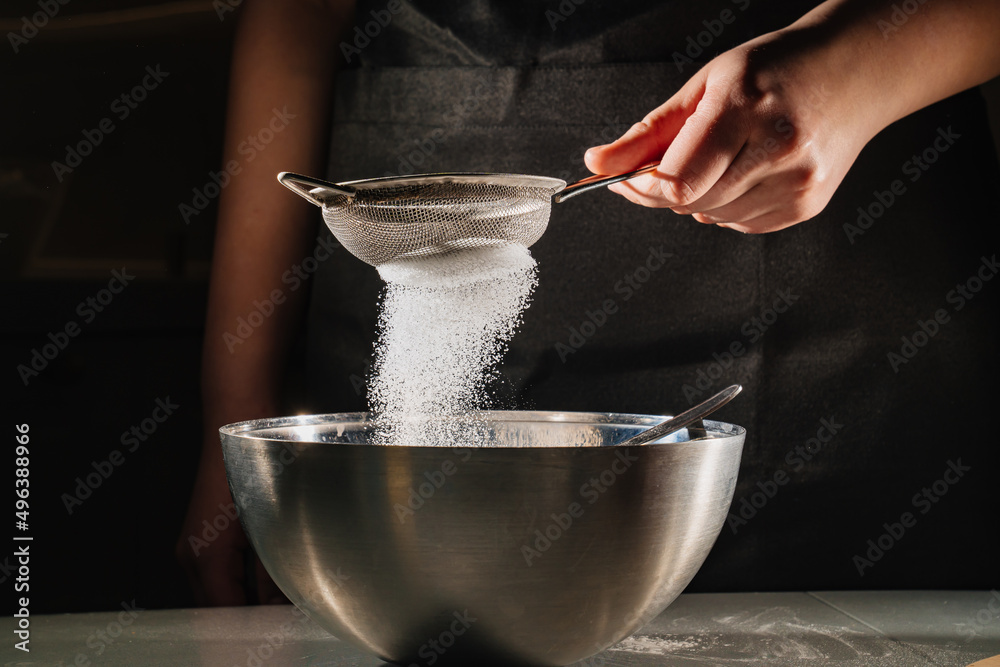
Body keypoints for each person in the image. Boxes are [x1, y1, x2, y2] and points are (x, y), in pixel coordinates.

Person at [177, 0, 1000, 606]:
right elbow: (290, 21)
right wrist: (235, 409)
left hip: (839, 362)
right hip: (416, 116)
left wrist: (859, 59)